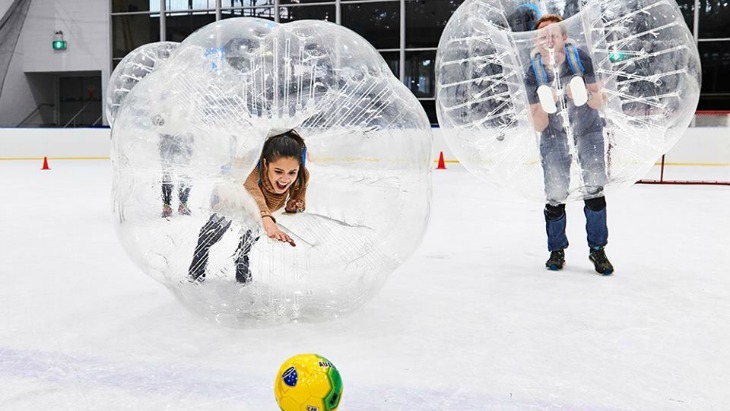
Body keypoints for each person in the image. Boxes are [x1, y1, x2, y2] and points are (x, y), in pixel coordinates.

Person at [524, 14, 614, 275]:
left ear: (564, 38)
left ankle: (598, 249)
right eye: (543, 36)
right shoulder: (532, 72)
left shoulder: (580, 58)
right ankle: (556, 250)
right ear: (536, 41)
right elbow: (538, 125)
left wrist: (586, 94)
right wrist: (544, 104)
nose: (548, 39)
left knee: (595, 189)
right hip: (553, 136)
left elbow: (601, 101)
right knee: (554, 194)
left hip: (588, 130)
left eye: (554, 34)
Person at [187, 130, 309, 284]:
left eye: (292, 172)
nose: (285, 179)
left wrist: (294, 206)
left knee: (251, 234)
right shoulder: (252, 171)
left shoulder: (301, 176)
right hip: (233, 197)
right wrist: (266, 218)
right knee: (213, 232)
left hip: (261, 209)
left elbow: (299, 201)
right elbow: (255, 195)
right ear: (265, 164)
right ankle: (197, 267)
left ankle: (242, 260)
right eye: (278, 171)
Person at [154, 114, 193, 218]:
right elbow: (154, 111)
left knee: (184, 171)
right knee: (167, 172)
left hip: (185, 134)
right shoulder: (162, 100)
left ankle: (183, 204)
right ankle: (167, 205)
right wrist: (157, 120)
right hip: (167, 133)